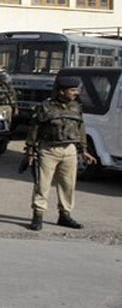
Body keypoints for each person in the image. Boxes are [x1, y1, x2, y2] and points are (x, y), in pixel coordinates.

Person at [25, 76, 96, 231]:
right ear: (62, 91)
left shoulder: (76, 107)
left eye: (76, 90)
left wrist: (84, 150)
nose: (76, 93)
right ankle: (38, 216)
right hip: (49, 150)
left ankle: (65, 215)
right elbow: (34, 129)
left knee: (68, 185)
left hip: (69, 150)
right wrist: (30, 151)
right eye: (72, 90)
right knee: (42, 185)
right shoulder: (45, 107)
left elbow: (80, 129)